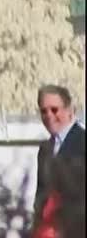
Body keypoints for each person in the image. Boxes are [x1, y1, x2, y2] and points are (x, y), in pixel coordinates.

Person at [35, 84, 85, 221]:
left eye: (54, 110)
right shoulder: (45, 149)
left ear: (70, 110)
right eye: (44, 111)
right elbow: (40, 195)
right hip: (49, 233)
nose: (49, 115)